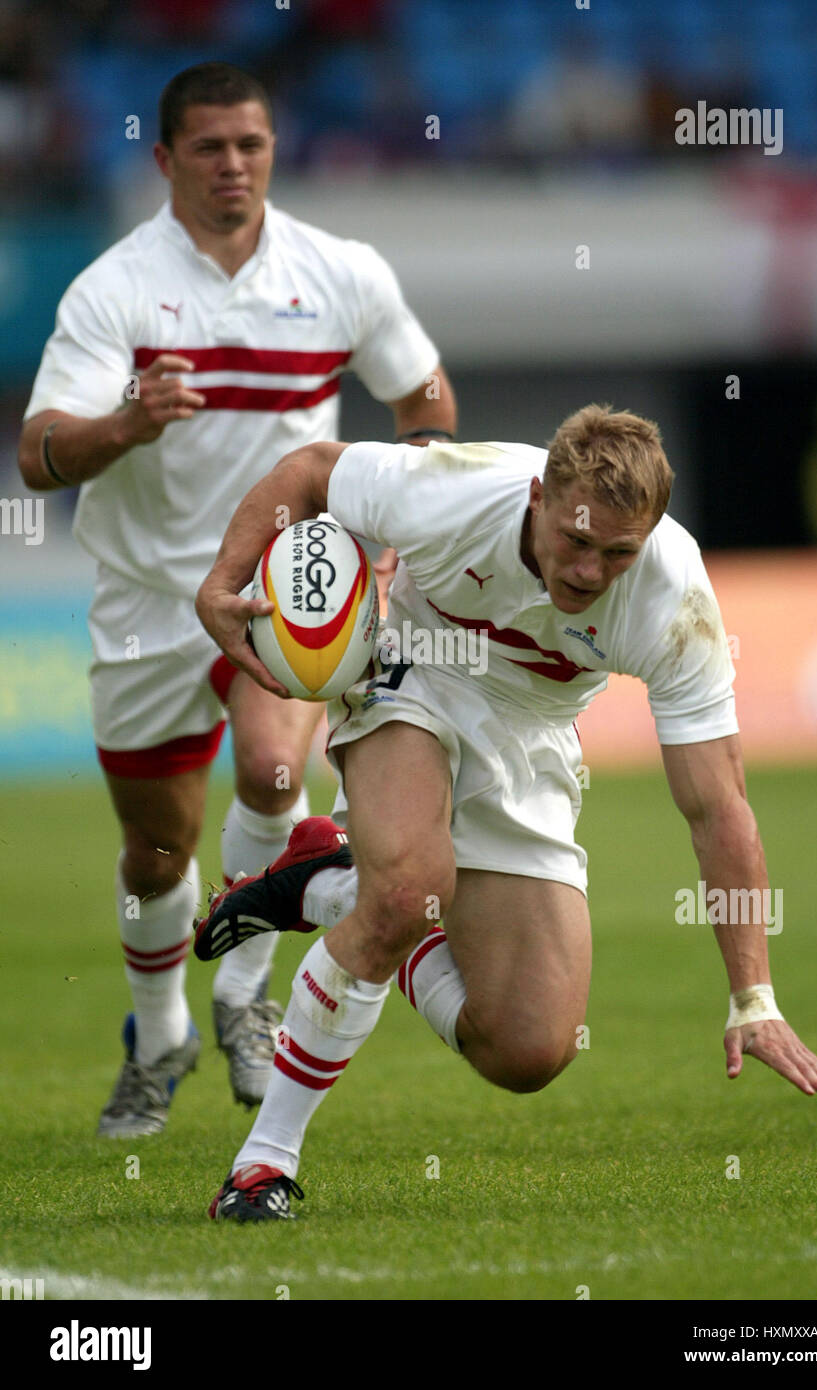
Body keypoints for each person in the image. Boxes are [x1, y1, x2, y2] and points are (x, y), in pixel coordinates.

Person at [192, 404, 817, 1222]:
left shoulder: (673, 598)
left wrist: (755, 998)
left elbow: (717, 807)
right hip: (412, 668)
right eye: (576, 541)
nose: (591, 572)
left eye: (617, 553)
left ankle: (328, 881)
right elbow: (311, 469)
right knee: (405, 890)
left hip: (531, 734)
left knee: (529, 1048)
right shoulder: (455, 492)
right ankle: (262, 1167)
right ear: (538, 496)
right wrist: (222, 582)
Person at [17, 62, 456, 1138]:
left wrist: (403, 505)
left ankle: (240, 992)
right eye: (208, 148)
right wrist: (123, 423)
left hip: (281, 580)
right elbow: (36, 454)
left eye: (250, 145)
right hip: (150, 602)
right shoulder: (112, 290)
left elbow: (424, 394)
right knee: (156, 854)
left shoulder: (338, 271)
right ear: (165, 160)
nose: (233, 165)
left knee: (271, 770)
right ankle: (160, 1030)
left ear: (273, 148)